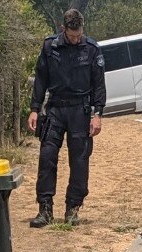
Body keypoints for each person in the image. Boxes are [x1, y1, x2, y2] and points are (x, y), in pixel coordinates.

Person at [27, 9, 106, 227]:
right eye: (72, 36)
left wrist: (97, 114)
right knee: (47, 157)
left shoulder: (91, 49)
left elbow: (98, 85)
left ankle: (73, 208)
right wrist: (35, 109)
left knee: (79, 161)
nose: (76, 39)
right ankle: (45, 209)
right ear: (63, 30)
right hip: (55, 108)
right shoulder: (50, 46)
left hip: (80, 110)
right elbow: (40, 80)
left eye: (79, 35)